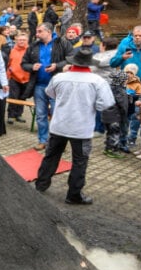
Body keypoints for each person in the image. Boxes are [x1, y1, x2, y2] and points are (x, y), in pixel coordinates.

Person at [34, 49, 114, 205]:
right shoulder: (97, 81)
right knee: (79, 161)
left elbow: (50, 92)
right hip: (81, 128)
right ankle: (74, 194)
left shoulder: (59, 77)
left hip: (60, 124)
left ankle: (41, 184)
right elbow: (105, 104)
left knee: (51, 155)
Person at [21, 23, 73, 150]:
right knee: (40, 115)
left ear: (49, 32)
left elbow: (71, 59)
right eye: (37, 31)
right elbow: (23, 63)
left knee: (57, 114)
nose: (37, 34)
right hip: (39, 85)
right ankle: (43, 140)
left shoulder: (62, 43)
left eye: (39, 31)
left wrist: (57, 66)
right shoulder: (34, 45)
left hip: (57, 86)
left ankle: (57, 143)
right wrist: (31, 67)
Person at [6, 33, 31, 123]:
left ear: (27, 41)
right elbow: (8, 63)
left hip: (26, 78)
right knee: (13, 96)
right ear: (16, 41)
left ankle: (19, 114)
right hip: (14, 77)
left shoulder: (30, 50)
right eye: (20, 40)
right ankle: (11, 115)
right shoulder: (12, 50)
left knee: (22, 97)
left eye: (24, 40)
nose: (21, 41)